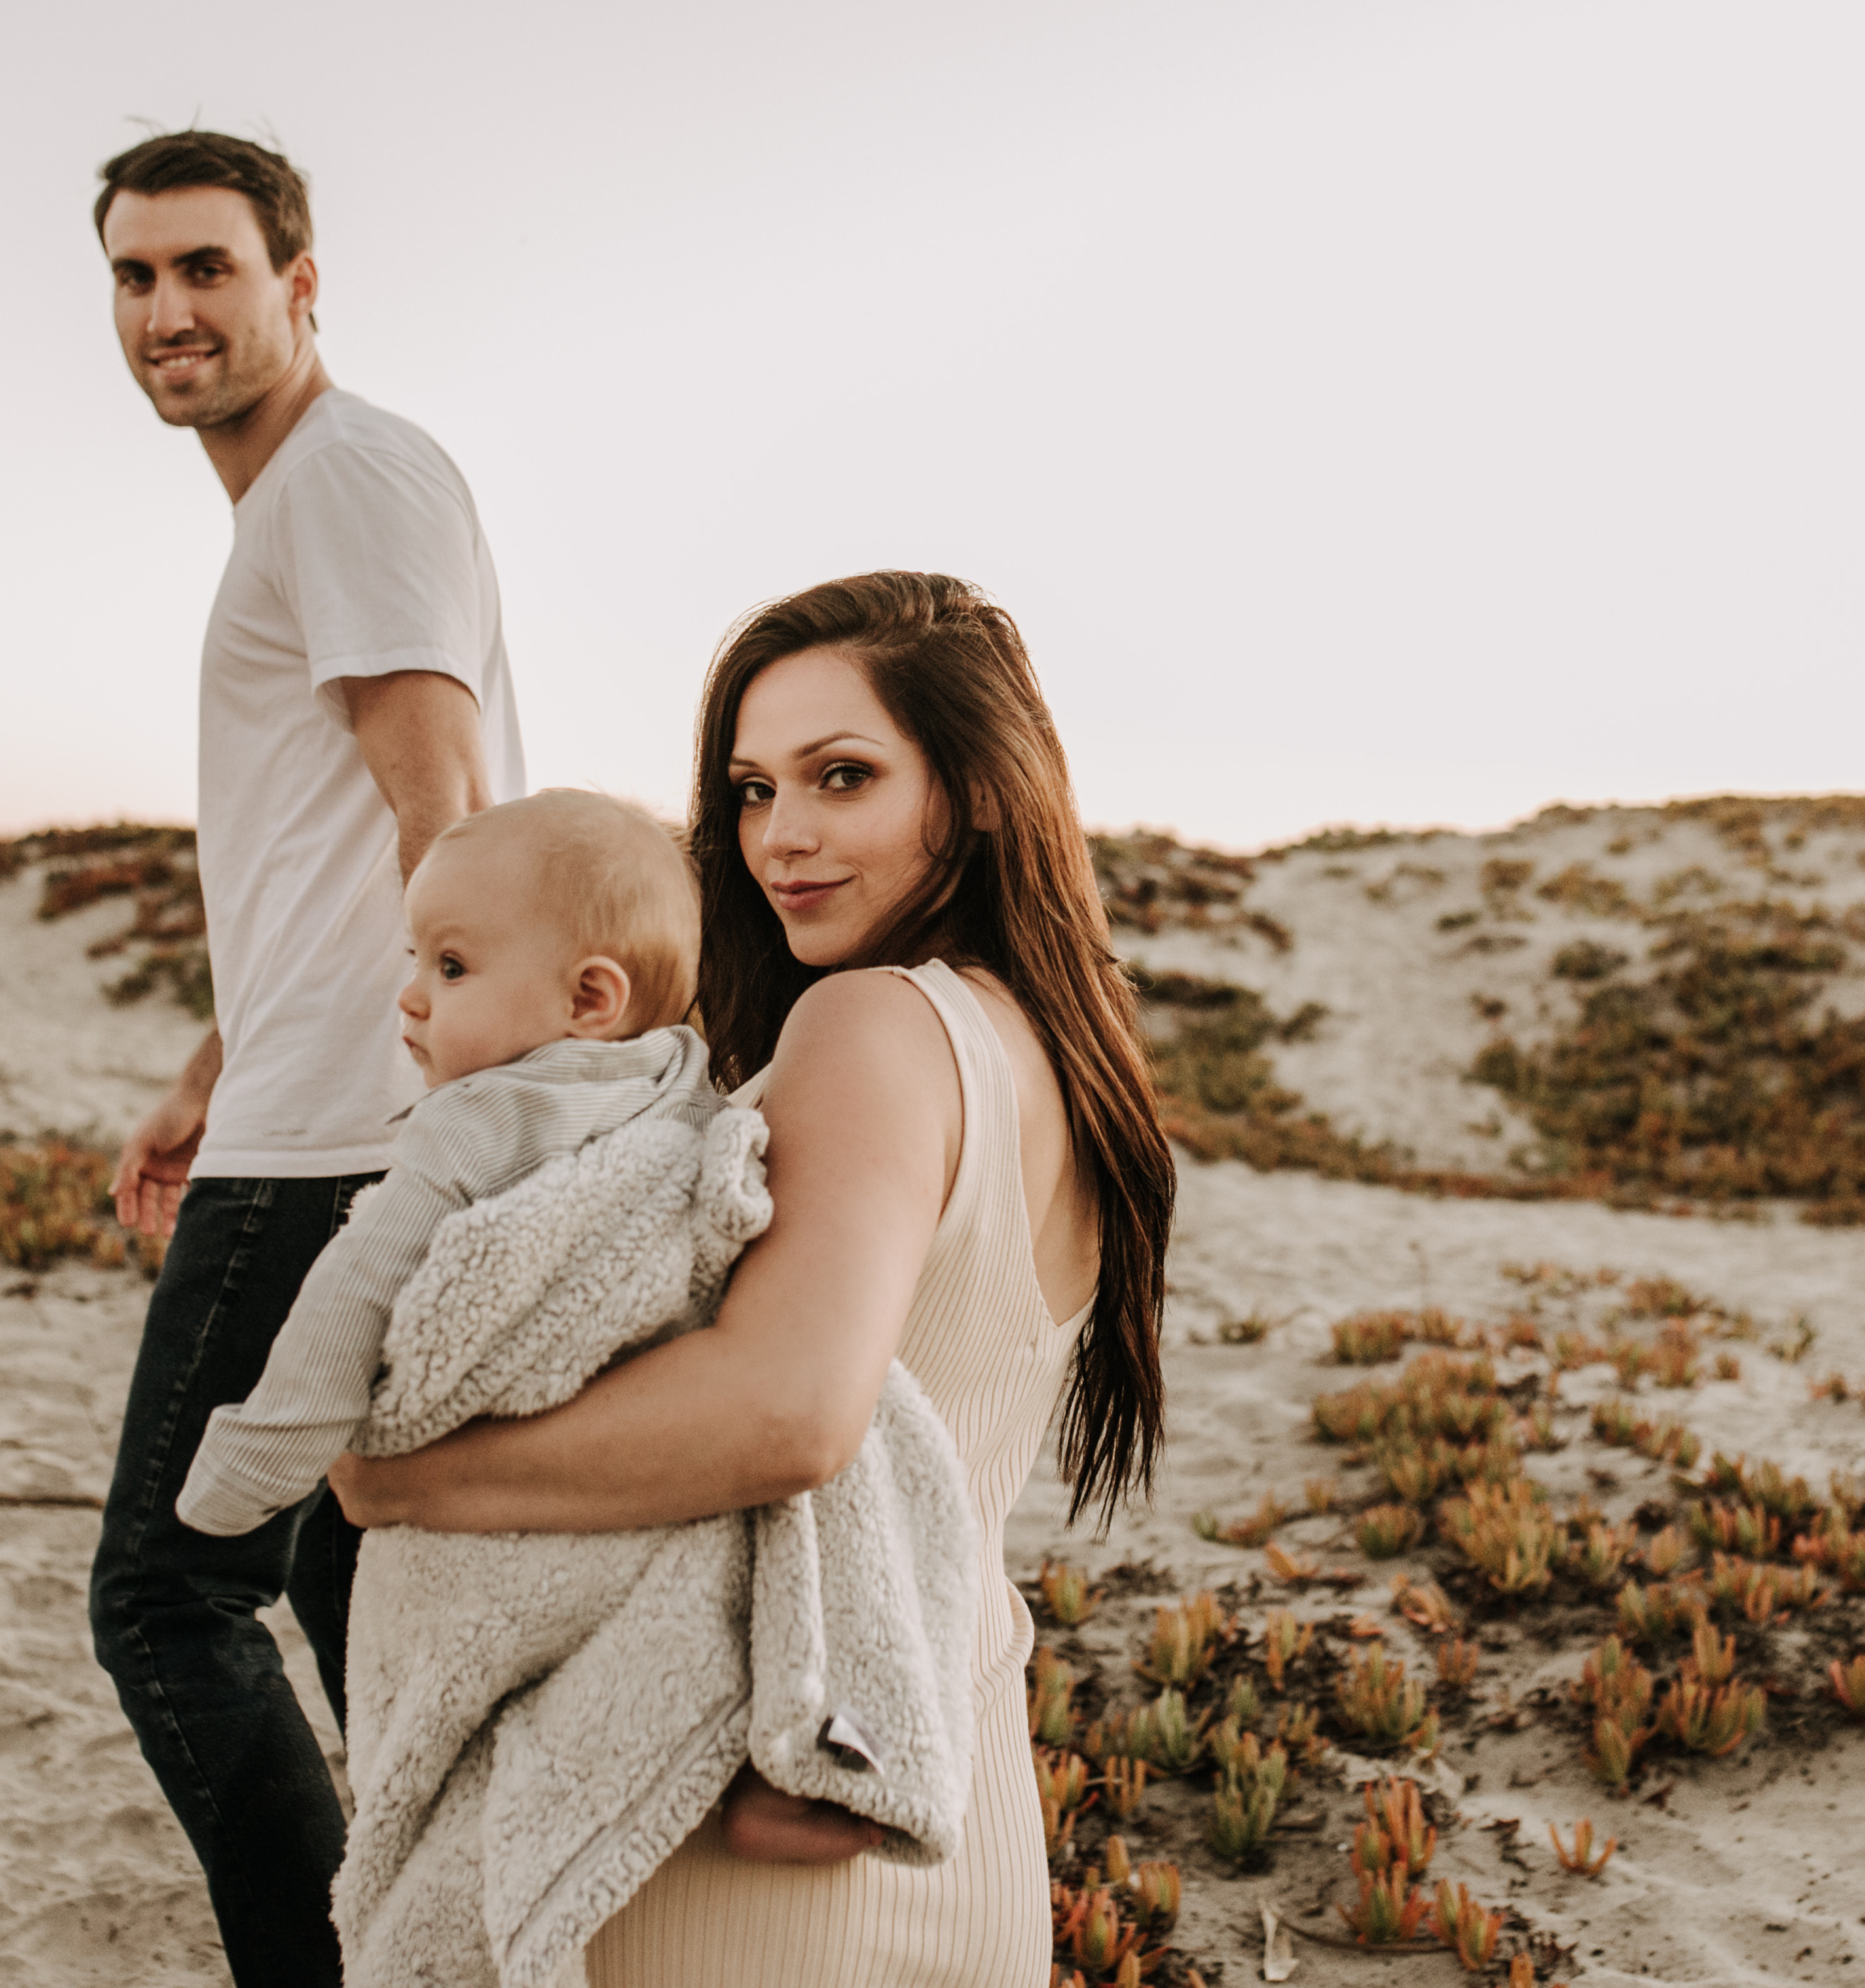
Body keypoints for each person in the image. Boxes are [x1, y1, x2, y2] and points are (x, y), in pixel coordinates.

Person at [330, 569, 1176, 1984]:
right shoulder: (1046, 1050)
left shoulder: (874, 1023)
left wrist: (394, 1480)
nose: (783, 838)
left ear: (971, 792)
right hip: (934, 1783)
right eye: (752, 790)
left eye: (842, 778)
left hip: (757, 1843)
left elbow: (789, 1408)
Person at [82, 128, 524, 1988]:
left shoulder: (346, 476)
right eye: (133, 276)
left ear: (300, 283)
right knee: (361, 1590)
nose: (167, 310)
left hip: (345, 1138)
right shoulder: (304, 504)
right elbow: (328, 859)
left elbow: (445, 807)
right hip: (316, 1102)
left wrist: (439, 1112)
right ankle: (443, 1944)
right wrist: (213, 1062)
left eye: (205, 268)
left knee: (170, 1597)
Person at [172, 789, 716, 1537]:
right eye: (416, 960)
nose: (411, 997)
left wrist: (255, 1464)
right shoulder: (692, 1090)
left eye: (451, 967)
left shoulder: (476, 1121)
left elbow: (356, 1289)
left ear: (590, 998)